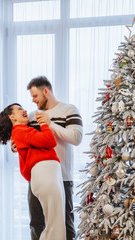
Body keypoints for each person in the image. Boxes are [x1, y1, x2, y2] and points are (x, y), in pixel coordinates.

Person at [11, 76, 83, 240]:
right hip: (37, 178)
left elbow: (76, 138)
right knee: (36, 223)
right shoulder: (31, 116)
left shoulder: (69, 110)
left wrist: (50, 124)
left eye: (35, 96)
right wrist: (14, 146)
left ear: (46, 91)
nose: (33, 100)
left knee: (65, 225)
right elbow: (22, 136)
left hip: (62, 177)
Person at [0, 103, 66, 240]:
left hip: (48, 174)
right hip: (45, 174)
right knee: (55, 224)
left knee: (54, 223)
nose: (24, 110)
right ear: (12, 117)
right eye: (19, 109)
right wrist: (44, 124)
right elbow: (49, 140)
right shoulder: (20, 131)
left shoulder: (23, 131)